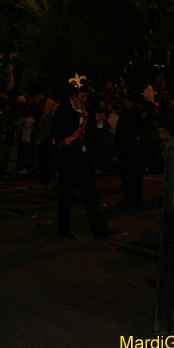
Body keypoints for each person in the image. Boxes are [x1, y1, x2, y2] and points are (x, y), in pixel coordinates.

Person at [51, 73, 110, 240]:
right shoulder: (63, 110)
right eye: (82, 96)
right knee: (67, 197)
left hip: (84, 160)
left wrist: (98, 122)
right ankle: (63, 229)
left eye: (86, 96)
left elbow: (94, 137)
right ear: (74, 96)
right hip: (69, 160)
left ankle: (99, 231)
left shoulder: (88, 111)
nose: (84, 100)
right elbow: (59, 133)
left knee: (91, 196)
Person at [115, 88, 152, 209]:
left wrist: (139, 148)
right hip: (126, 149)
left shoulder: (139, 112)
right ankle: (128, 199)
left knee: (134, 177)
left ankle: (135, 201)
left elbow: (145, 132)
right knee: (126, 177)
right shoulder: (127, 111)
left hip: (135, 150)